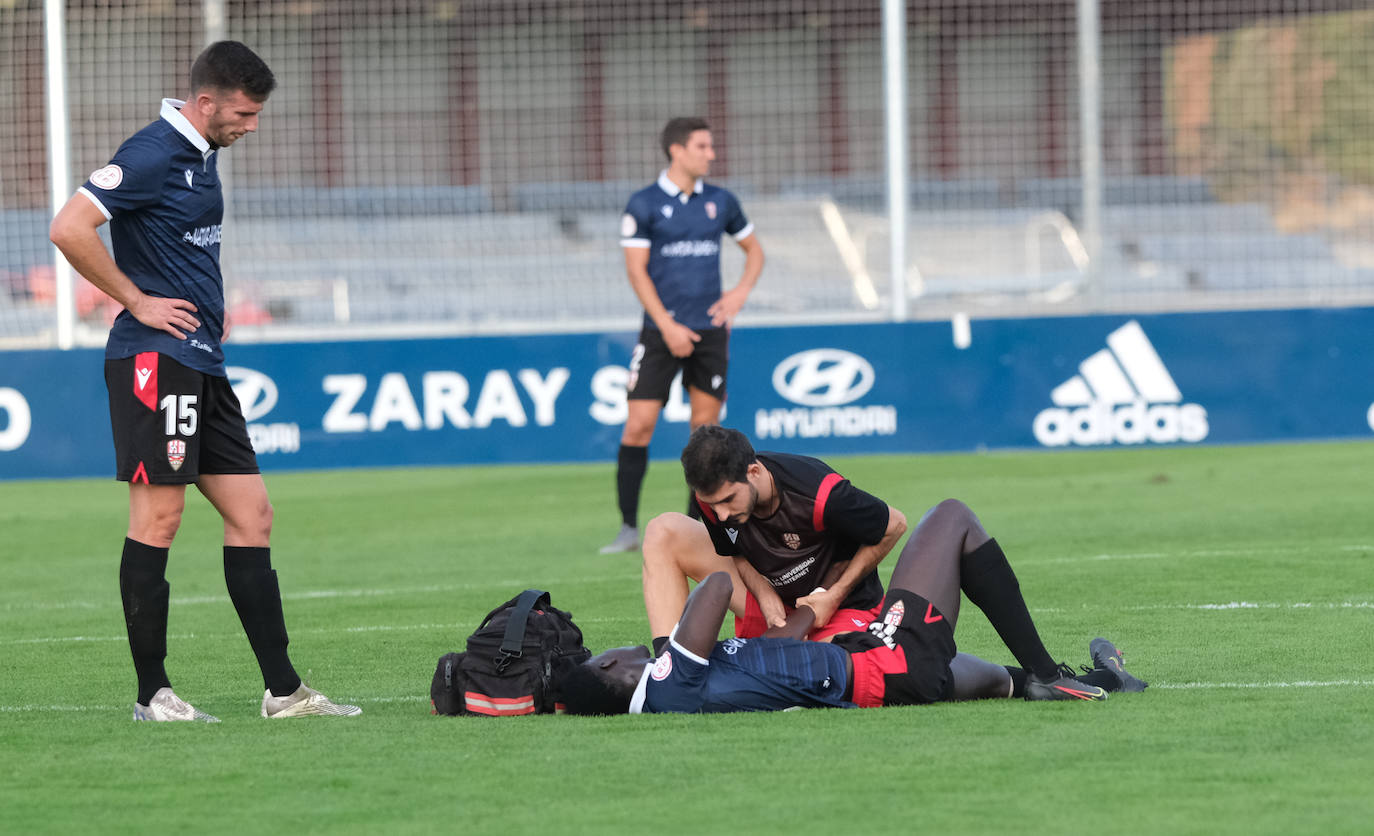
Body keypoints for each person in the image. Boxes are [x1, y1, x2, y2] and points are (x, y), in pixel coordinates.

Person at [48, 41, 359, 722]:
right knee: (159, 517)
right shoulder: (153, 153)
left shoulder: (200, 158)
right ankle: (152, 696)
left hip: (199, 362)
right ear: (207, 101)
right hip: (154, 362)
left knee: (254, 516)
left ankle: (285, 693)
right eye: (245, 113)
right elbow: (69, 228)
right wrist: (135, 300)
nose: (252, 125)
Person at [560, 498, 1148, 715]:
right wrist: (677, 645)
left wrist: (806, 612)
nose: (610, 648)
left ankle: (1095, 681)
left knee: (1002, 684)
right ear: (611, 669)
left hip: (860, 664)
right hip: (878, 664)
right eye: (600, 656)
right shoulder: (669, 680)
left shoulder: (687, 685)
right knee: (950, 518)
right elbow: (712, 593)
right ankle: (1048, 672)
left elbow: (776, 651)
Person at [600, 117, 765, 554]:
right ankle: (628, 528)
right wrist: (669, 326)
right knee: (638, 427)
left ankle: (698, 528)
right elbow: (636, 272)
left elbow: (754, 251)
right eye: (703, 146)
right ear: (677, 150)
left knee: (704, 433)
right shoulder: (644, 204)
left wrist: (739, 294)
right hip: (660, 332)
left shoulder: (721, 202)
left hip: (710, 333)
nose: (711, 154)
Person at [641, 425, 905, 648]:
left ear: (753, 472)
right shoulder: (712, 499)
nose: (721, 515)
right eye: (713, 504)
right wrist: (765, 595)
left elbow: (894, 524)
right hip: (770, 605)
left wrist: (834, 595)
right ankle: (667, 667)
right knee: (664, 531)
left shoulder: (821, 493)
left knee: (828, 669)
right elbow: (736, 552)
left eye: (728, 500)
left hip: (834, 610)